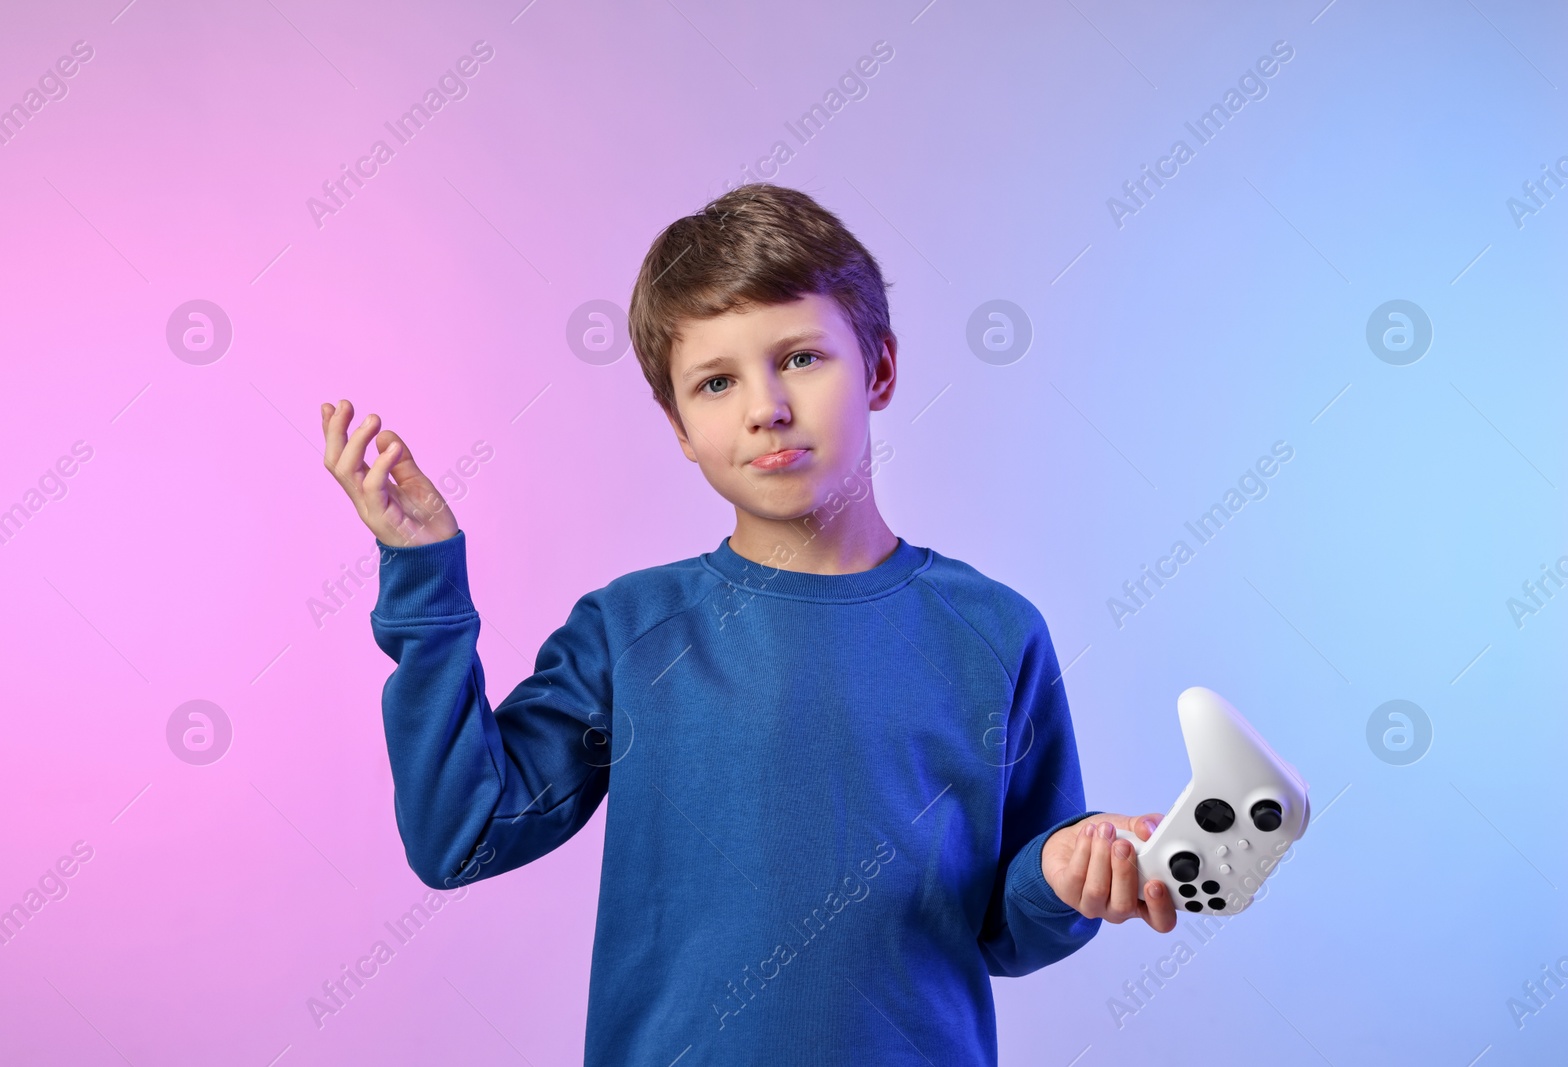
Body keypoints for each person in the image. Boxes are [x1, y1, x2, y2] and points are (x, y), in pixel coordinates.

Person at [319, 182, 1175, 1065]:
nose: (764, 406)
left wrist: (1067, 875)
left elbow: (1005, 928)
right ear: (680, 426)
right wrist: (425, 580)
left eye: (801, 358)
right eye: (717, 381)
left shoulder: (994, 632)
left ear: (880, 368)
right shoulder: (631, 632)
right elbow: (460, 835)